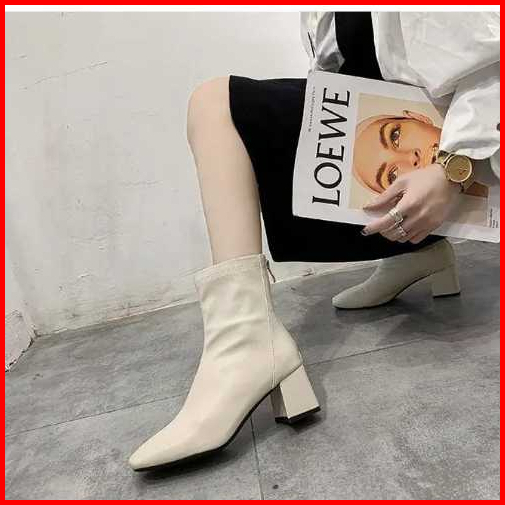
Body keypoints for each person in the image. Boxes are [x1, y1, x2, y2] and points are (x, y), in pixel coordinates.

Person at [128, 11, 500, 471]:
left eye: (395, 133)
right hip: (412, 186)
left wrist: (453, 168)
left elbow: (492, 61)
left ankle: (243, 342)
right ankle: (419, 253)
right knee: (285, 122)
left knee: (216, 103)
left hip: (462, 168)